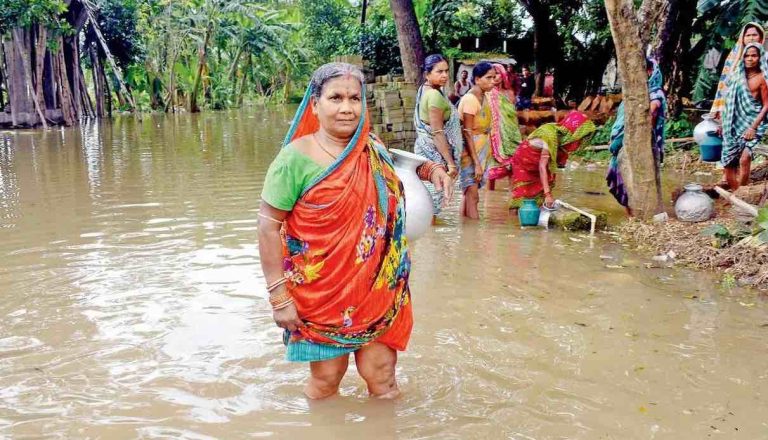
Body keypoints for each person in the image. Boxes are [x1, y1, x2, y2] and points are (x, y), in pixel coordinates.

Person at [258, 63, 452, 400]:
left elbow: (395, 165)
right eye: (335, 97)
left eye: (354, 98)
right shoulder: (294, 160)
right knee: (326, 381)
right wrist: (278, 297)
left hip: (377, 287)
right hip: (323, 293)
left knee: (383, 378)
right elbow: (267, 227)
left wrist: (429, 168)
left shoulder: (372, 146)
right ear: (315, 105)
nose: (347, 108)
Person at [606, 59, 667, 215]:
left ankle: (638, 216)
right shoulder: (635, 93)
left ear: (652, 72)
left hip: (640, 144)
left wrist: (640, 133)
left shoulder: (654, 92)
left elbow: (653, 110)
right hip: (624, 141)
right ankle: (632, 216)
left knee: (632, 181)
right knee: (622, 180)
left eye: (646, 71)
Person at [509, 111, 596, 210]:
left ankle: (534, 218)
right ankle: (513, 222)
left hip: (539, 162)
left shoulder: (560, 135)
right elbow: (543, 167)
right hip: (524, 161)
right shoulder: (550, 135)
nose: (579, 142)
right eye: (579, 138)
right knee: (522, 196)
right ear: (574, 132)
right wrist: (548, 194)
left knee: (539, 196)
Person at [414, 54, 463, 214]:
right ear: (427, 74)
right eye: (439, 71)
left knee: (428, 200)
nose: (444, 75)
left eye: (446, 71)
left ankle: (428, 237)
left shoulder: (425, 90)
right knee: (433, 202)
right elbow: (437, 133)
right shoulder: (434, 95)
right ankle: (428, 237)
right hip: (435, 154)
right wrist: (450, 163)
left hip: (425, 151)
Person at [721, 43, 768, 190]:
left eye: (754, 55)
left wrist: (753, 128)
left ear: (760, 57)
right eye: (747, 55)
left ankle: (743, 191)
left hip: (753, 124)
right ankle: (737, 193)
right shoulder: (736, 76)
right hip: (732, 124)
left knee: (745, 157)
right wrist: (722, 124)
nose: (750, 59)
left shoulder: (762, 78)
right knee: (728, 164)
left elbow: (767, 105)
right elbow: (728, 102)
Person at [458, 62, 497, 219]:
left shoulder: (484, 96)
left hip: (480, 148)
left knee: (468, 194)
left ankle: (466, 235)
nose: (493, 81)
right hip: (470, 151)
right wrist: (477, 163)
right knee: (473, 196)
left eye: (494, 77)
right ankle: (475, 237)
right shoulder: (470, 99)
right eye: (488, 77)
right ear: (477, 79)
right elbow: (467, 132)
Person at [710, 23, 765, 120]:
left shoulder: (766, 58)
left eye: (754, 35)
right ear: (742, 38)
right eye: (748, 35)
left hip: (759, 107)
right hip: (733, 106)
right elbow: (725, 85)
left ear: (761, 38)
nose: (751, 38)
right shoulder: (733, 59)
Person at [487, 63, 522, 183]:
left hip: (511, 133)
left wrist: (516, 132)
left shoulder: (509, 93)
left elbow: (513, 115)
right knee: (491, 171)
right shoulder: (488, 93)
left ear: (502, 74)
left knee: (513, 166)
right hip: (494, 136)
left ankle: (512, 199)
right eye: (491, 75)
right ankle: (489, 199)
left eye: (497, 73)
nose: (495, 77)